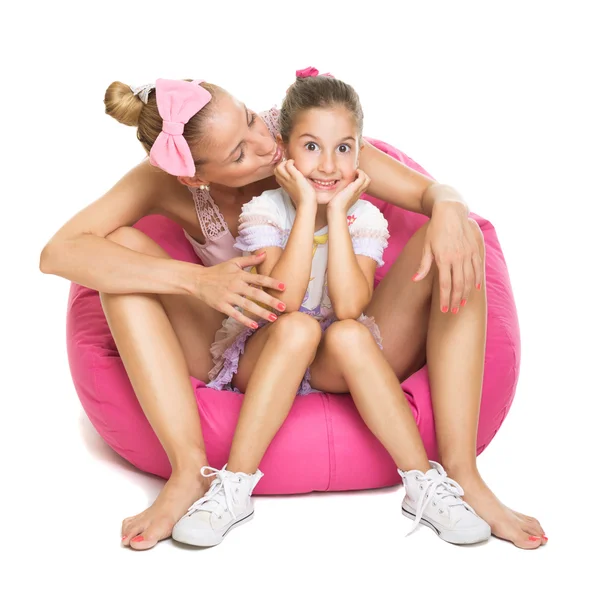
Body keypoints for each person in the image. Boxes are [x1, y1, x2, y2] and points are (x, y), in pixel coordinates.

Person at [39, 69, 546, 551]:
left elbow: (426, 192)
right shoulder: (164, 184)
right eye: (239, 152)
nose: (265, 143)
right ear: (196, 179)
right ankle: (188, 469)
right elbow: (59, 253)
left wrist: (452, 207)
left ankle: (462, 473)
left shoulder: (304, 137)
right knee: (119, 256)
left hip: (346, 336)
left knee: (457, 237)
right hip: (253, 342)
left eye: (251, 119)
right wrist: (197, 281)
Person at [171, 72, 492, 548]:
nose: (327, 165)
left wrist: (339, 213)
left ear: (360, 154)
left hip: (330, 357)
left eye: (344, 149)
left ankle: (423, 482)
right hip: (273, 348)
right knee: (299, 326)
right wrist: (305, 208)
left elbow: (350, 306)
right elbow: (285, 300)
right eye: (311, 147)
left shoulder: (365, 217)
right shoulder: (265, 209)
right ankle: (233, 485)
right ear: (285, 150)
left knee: (348, 333)